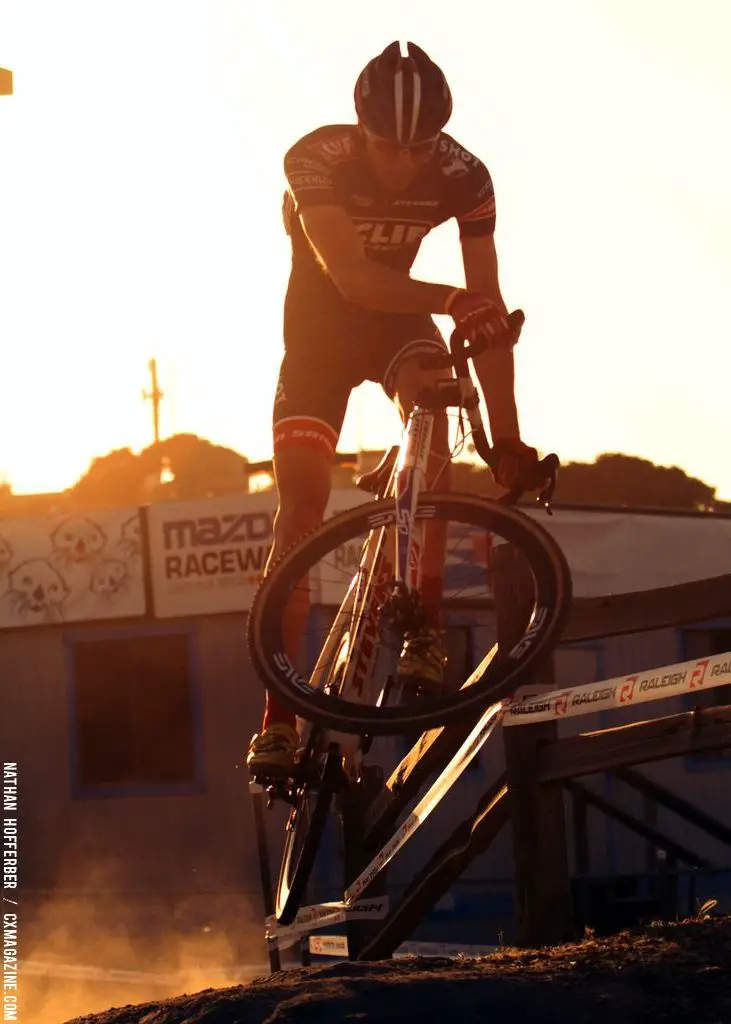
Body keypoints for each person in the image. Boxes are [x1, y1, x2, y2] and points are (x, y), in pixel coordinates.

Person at [247, 40, 541, 778]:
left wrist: (506, 440)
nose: (406, 162)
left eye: (421, 149)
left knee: (438, 395)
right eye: (389, 147)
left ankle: (424, 626)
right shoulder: (315, 158)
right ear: (360, 130)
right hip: (318, 339)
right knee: (301, 511)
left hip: (396, 328)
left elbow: (488, 313)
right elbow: (349, 279)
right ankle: (277, 716)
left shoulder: (464, 175)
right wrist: (450, 300)